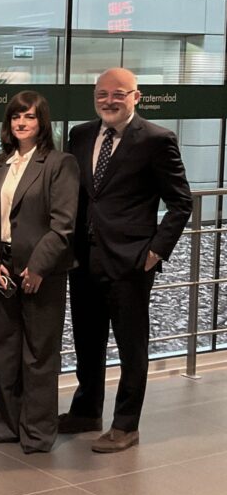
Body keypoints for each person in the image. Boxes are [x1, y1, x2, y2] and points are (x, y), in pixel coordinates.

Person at [62, 68, 191, 452]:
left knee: (131, 346)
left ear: (136, 96)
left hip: (130, 263)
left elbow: (181, 203)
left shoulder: (156, 139)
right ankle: (86, 411)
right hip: (83, 260)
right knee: (87, 340)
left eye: (119, 93)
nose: (109, 100)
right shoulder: (80, 135)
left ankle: (126, 425)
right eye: (102, 94)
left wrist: (155, 251)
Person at [0, 91, 79, 453]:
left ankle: (37, 433)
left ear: (42, 122)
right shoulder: (0, 163)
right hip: (2, 270)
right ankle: (9, 427)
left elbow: (63, 226)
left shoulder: (60, 163)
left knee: (38, 356)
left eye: (30, 116)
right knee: (5, 353)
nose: (21, 122)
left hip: (41, 273)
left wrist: (37, 268)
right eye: (16, 116)